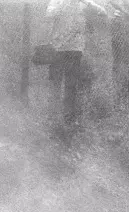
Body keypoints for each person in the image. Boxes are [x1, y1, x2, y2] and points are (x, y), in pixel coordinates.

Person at [45, 0, 107, 128]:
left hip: (75, 49)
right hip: (57, 48)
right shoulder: (57, 1)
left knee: (71, 85)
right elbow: (49, 14)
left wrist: (88, 4)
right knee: (55, 83)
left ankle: (68, 119)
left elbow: (103, 12)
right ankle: (53, 117)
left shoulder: (84, 3)